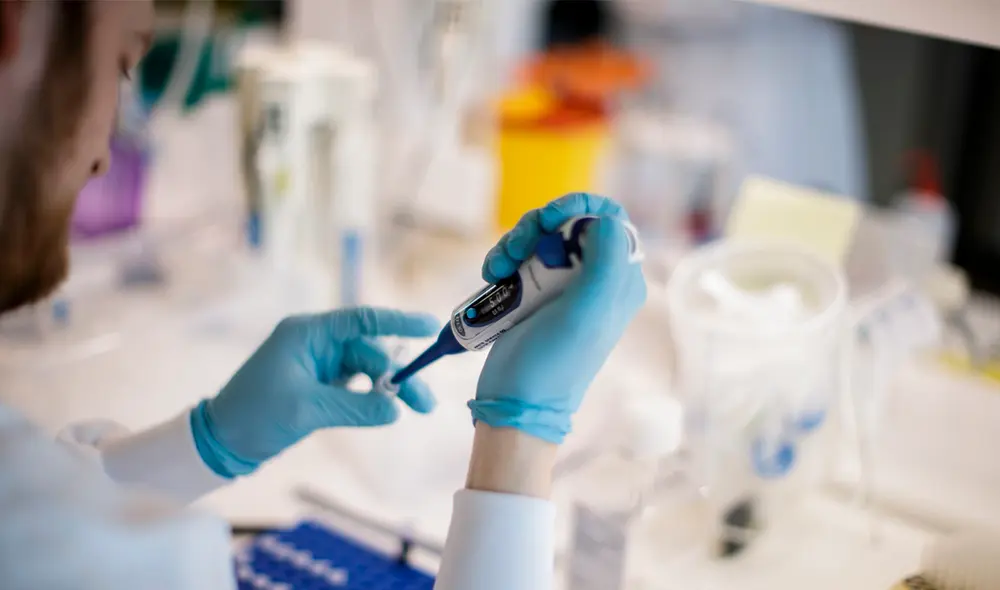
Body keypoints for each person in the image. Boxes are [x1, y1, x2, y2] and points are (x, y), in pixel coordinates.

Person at [0, 2, 646, 589]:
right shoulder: (121, 565)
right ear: (13, 27)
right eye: (120, 67)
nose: (106, 157)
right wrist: (520, 440)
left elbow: (51, 495)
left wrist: (203, 443)